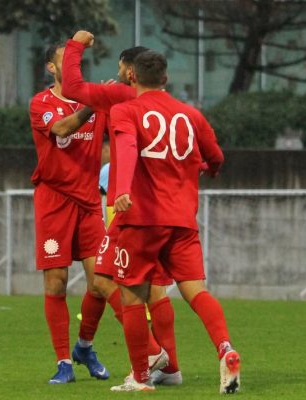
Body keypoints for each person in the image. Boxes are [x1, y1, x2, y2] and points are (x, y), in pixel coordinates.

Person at [108, 50, 241, 393]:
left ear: (131, 77)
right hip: (183, 220)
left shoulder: (125, 110)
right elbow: (216, 157)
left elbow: (125, 148)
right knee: (195, 290)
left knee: (132, 297)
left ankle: (139, 377)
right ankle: (225, 348)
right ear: (165, 80)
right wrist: (209, 169)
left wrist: (121, 189)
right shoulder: (191, 115)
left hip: (142, 220)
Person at [62, 31, 179, 385]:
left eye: (120, 67)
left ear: (131, 72)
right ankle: (170, 369)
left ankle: (149, 358)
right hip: (164, 206)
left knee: (105, 279)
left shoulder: (119, 96)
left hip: (129, 206)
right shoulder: (169, 106)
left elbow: (71, 86)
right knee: (152, 288)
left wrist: (76, 44)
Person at [29, 43, 113, 384]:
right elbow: (62, 129)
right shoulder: (41, 103)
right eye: (68, 59)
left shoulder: (94, 98)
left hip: (90, 201)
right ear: (52, 67)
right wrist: (94, 105)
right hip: (54, 200)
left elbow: (123, 131)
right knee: (56, 282)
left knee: (101, 282)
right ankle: (63, 362)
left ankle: (84, 346)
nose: (76, 63)